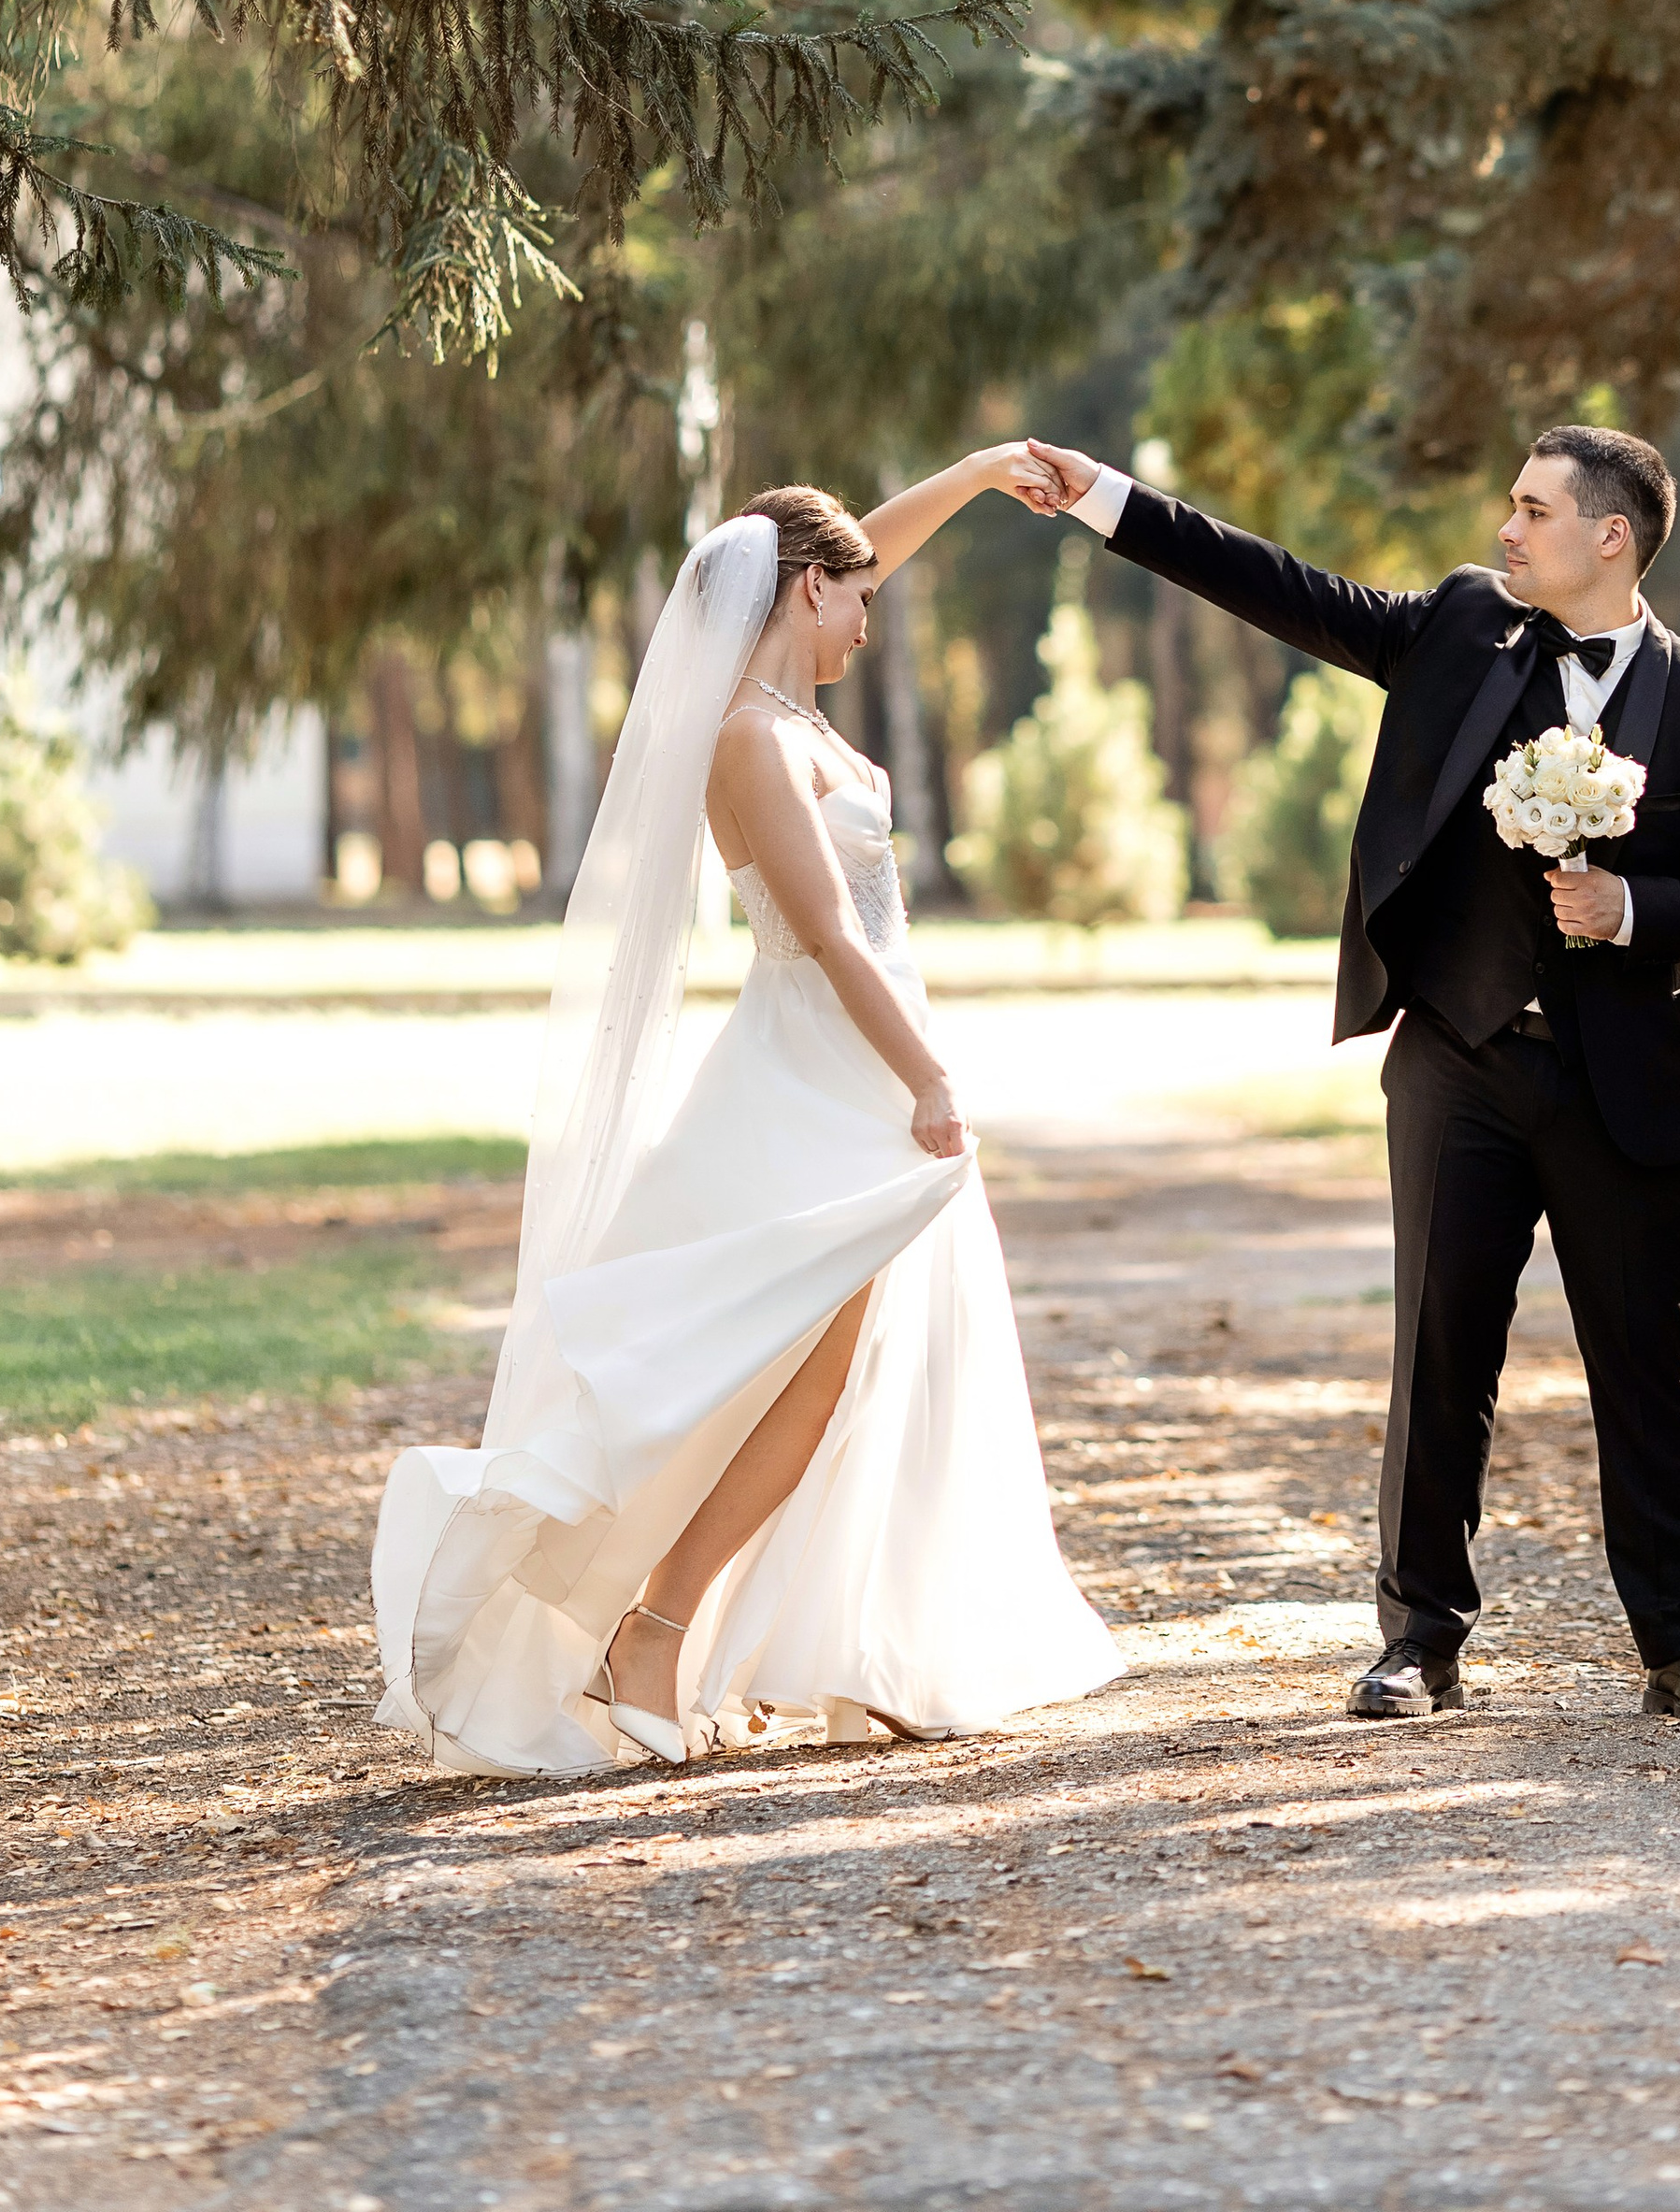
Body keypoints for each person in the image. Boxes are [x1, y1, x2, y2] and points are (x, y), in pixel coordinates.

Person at [1021, 424, 1680, 1728]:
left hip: (1635, 1090)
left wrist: (1636, 908)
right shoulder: (1461, 629)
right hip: (1462, 1063)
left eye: (1535, 509)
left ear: (1610, 537)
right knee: (1441, 1356)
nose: (1507, 529)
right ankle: (1419, 1642)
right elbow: (1278, 583)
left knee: (1644, 1371)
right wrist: (1104, 499)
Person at [372, 456, 1120, 1773]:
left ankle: (786, 1637)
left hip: (861, 1067)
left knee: (857, 1370)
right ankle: (656, 1625)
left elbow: (858, 555)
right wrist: (931, 1080)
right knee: (788, 1364)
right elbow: (831, 936)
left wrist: (989, 474)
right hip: (817, 1074)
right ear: (806, 590)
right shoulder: (748, 736)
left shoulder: (796, 712)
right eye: (855, 601)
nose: (871, 619)